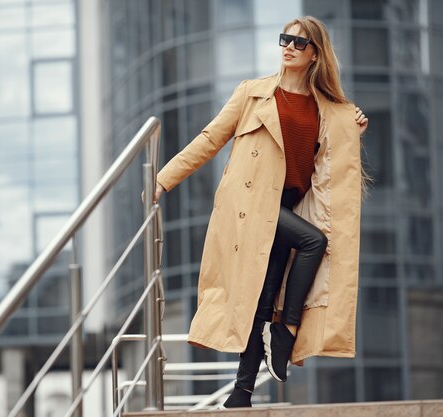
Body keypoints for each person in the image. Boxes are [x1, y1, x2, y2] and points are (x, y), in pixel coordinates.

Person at [146, 16, 371, 409]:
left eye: (299, 43)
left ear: (315, 54)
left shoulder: (329, 109)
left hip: (286, 207)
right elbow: (211, 137)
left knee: (261, 295)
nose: (288, 47)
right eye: (285, 39)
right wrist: (163, 179)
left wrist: (354, 129)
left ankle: (241, 393)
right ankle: (286, 329)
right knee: (313, 241)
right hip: (249, 207)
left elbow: (334, 159)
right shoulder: (253, 93)